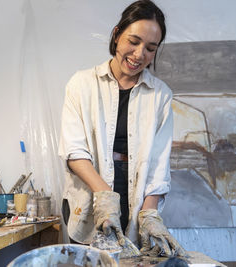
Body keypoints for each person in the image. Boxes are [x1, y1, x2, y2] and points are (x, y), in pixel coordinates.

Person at [59, 0, 186, 257]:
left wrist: (149, 213)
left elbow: (159, 163)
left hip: (136, 196)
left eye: (150, 48)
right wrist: (105, 196)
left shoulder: (160, 95)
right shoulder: (81, 84)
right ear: (116, 35)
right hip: (89, 195)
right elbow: (74, 151)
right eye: (133, 41)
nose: (139, 55)